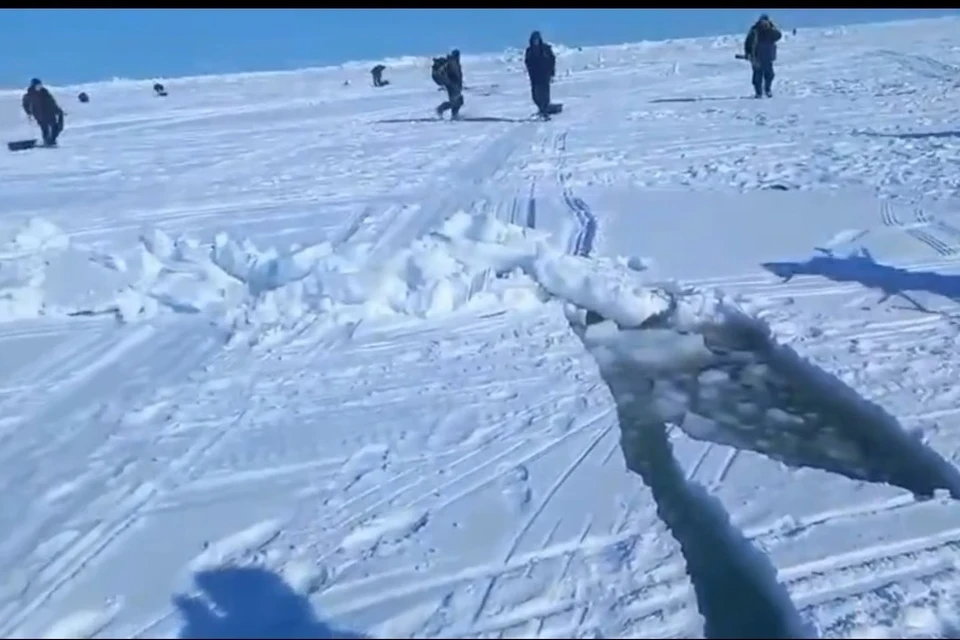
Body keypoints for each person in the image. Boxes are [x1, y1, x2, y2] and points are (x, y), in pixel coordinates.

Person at [744, 14, 782, 98]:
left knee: (769, 75)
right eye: (763, 22)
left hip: (768, 57)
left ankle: (767, 90)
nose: (764, 24)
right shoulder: (755, 31)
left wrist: (772, 27)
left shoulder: (771, 31)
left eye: (766, 22)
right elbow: (748, 43)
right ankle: (758, 93)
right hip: (756, 57)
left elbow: (779, 35)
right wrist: (748, 53)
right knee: (757, 76)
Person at [22, 78, 64, 147]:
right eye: (38, 85)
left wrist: (58, 111)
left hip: (50, 114)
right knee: (45, 129)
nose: (39, 86)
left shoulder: (45, 93)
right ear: (33, 85)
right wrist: (28, 112)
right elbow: (25, 104)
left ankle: (51, 141)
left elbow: (52, 103)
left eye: (40, 85)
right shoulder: (30, 95)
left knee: (56, 127)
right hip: (39, 115)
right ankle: (47, 141)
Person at [524, 31, 556, 119]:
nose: (536, 41)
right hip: (534, 76)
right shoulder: (529, 50)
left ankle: (545, 112)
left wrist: (551, 71)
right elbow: (527, 61)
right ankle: (541, 109)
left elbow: (552, 60)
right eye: (534, 39)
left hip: (545, 75)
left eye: (537, 39)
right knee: (535, 96)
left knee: (544, 94)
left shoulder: (546, 49)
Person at [434, 49, 464, 120]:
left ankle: (454, 115)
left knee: (457, 101)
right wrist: (450, 83)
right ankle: (441, 108)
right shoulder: (452, 62)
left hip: (454, 84)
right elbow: (453, 74)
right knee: (457, 101)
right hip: (452, 84)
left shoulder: (454, 62)